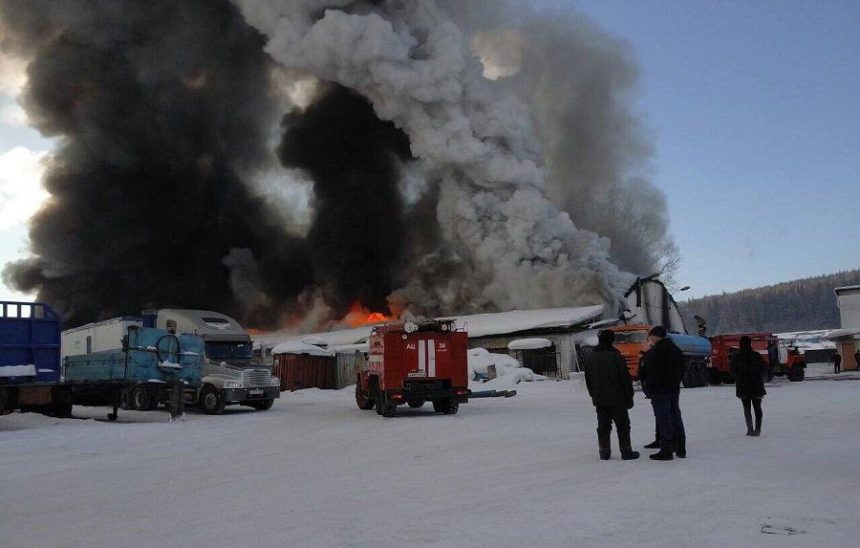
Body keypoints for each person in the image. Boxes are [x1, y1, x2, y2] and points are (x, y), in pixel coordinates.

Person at [583, 330, 639, 460]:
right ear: (612, 340)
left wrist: (593, 394)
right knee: (623, 424)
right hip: (617, 397)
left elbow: (588, 379)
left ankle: (604, 451)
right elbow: (624, 379)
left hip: (599, 398)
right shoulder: (617, 356)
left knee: (603, 425)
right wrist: (629, 396)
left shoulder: (591, 357)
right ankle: (626, 451)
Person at [639, 325, 686, 461]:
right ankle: (681, 447)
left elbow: (648, 372)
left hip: (659, 391)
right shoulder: (676, 350)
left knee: (663, 418)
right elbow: (682, 368)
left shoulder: (655, 352)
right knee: (675, 415)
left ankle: (666, 449)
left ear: (654, 336)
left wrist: (650, 388)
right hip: (674, 389)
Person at [729, 336, 766, 436]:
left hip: (743, 386)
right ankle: (758, 429)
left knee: (747, 408)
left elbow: (732, 371)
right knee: (758, 408)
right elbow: (764, 368)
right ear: (750, 344)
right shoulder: (756, 355)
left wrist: (740, 376)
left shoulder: (737, 357)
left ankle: (750, 429)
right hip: (757, 385)